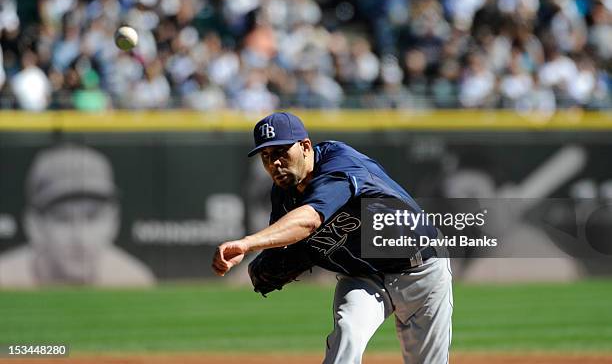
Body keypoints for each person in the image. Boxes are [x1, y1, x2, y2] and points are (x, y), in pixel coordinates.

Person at [212, 112, 453, 363]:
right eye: (267, 156)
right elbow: (287, 240)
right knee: (347, 334)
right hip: (364, 276)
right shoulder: (283, 194)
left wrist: (248, 243)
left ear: (305, 147)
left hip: (420, 268)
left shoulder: (340, 164)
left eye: (282, 152)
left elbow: (309, 219)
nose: (275, 163)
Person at [0, 144, 155, 287]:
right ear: (34, 226)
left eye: (92, 217)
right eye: (63, 219)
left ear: (114, 220)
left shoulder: (133, 279)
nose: (80, 238)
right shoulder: (4, 277)